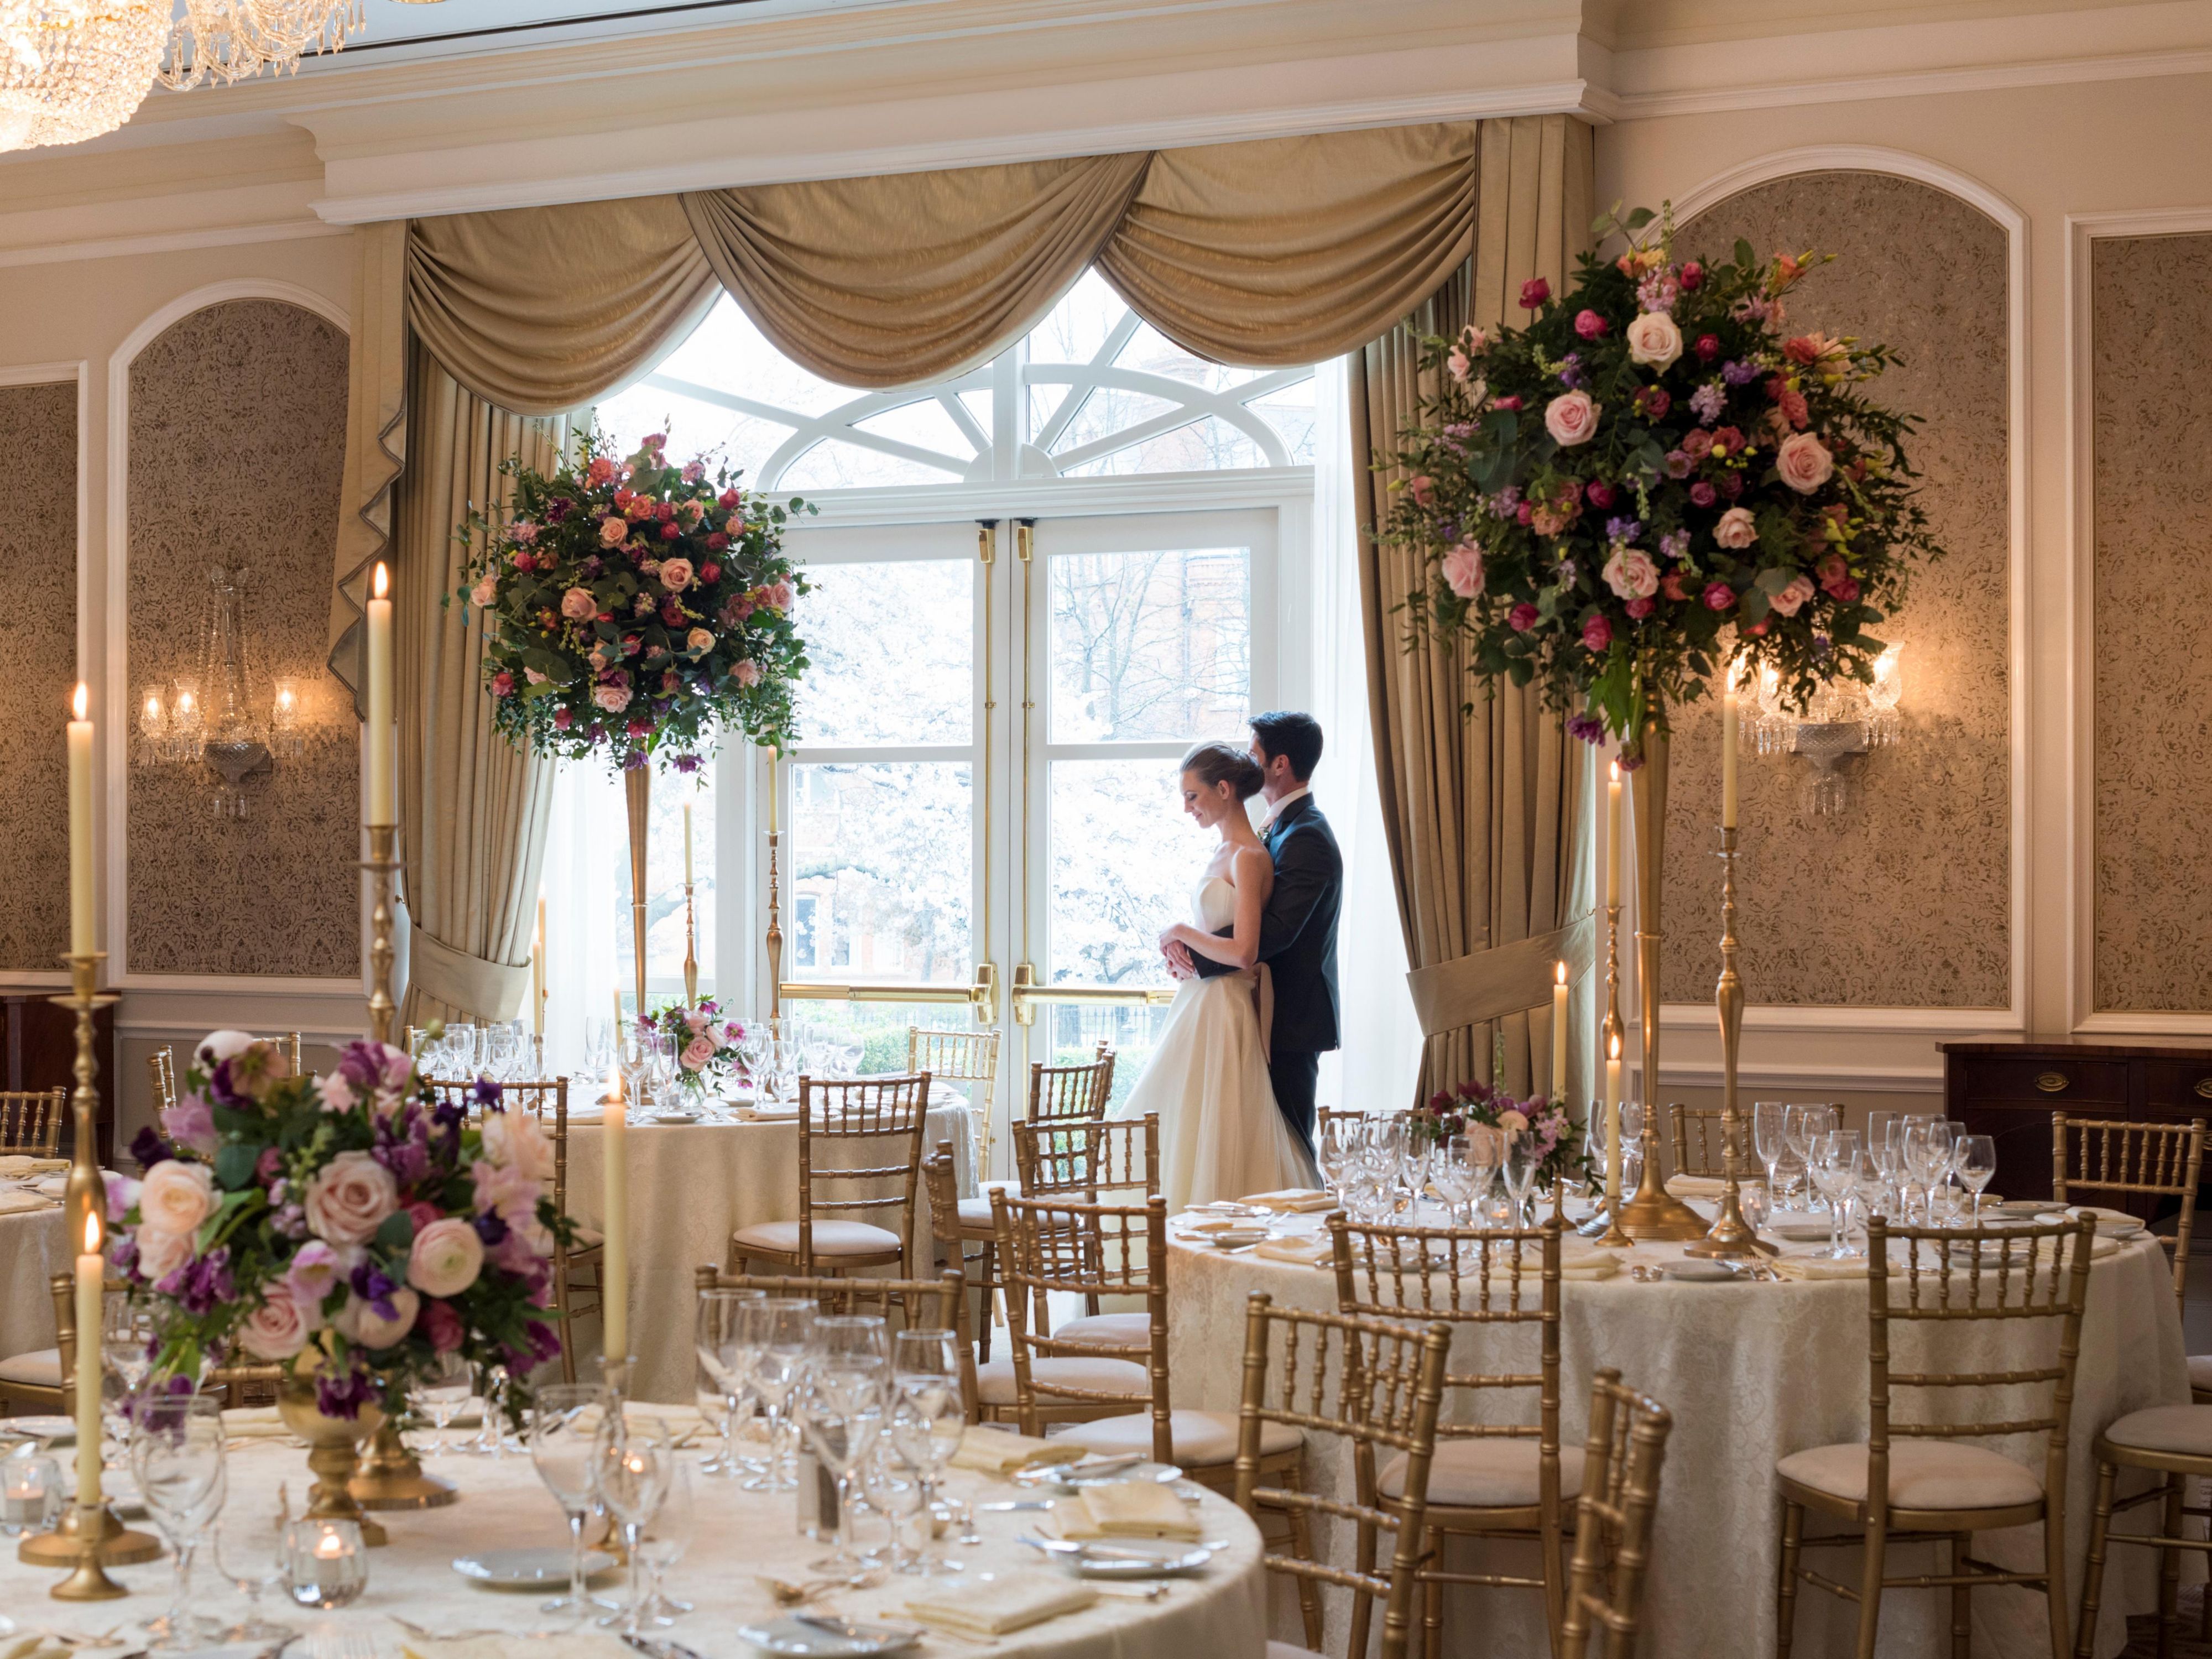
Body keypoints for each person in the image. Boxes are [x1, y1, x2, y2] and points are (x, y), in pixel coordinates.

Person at [1112, 740, 1321, 1211]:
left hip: (1225, 1008)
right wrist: (1183, 951)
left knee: (1217, 1128)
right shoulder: (1226, 851)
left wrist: (1181, 930)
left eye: (1192, 796)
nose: (1187, 809)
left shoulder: (1249, 856)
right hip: (1200, 1001)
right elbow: (1217, 938)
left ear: (1223, 790)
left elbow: (1246, 951)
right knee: (1178, 1121)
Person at [1166, 711, 1340, 1162]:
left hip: (1290, 1019)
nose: (1246, 761)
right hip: (1252, 1007)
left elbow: (1275, 933)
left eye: (1254, 754)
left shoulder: (1308, 835)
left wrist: (1191, 949)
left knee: (1289, 1152)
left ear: (1279, 764)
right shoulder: (1274, 828)